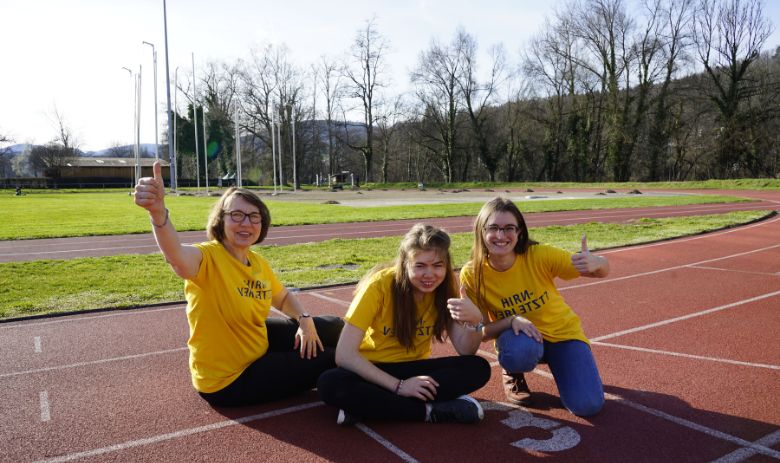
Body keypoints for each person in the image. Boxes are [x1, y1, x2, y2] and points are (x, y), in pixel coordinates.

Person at [134, 161, 343, 407]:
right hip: (231, 379)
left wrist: (304, 320)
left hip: (256, 344)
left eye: (254, 217)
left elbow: (284, 298)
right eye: (236, 215)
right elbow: (176, 256)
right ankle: (369, 381)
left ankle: (381, 352)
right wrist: (158, 215)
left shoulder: (257, 262)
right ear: (220, 220)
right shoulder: (207, 257)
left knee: (333, 326)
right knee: (331, 358)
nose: (246, 223)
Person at [317, 224, 491, 424]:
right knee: (329, 383)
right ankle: (428, 411)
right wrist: (399, 386)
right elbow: (345, 355)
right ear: (405, 264)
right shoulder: (379, 286)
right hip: (374, 370)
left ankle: (371, 407)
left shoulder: (446, 287)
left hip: (415, 370)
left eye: (437, 265)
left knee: (478, 367)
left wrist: (475, 322)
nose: (430, 274)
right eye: (420, 266)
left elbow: (465, 350)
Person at [451, 197, 609, 417]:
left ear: (519, 232)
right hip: (520, 341)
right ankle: (513, 371)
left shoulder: (539, 255)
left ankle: (569, 364)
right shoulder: (473, 273)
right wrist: (511, 320)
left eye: (509, 228)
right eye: (493, 228)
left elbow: (601, 270)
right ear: (481, 230)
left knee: (588, 406)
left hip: (563, 335)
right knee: (519, 352)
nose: (501, 235)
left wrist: (598, 262)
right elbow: (483, 333)